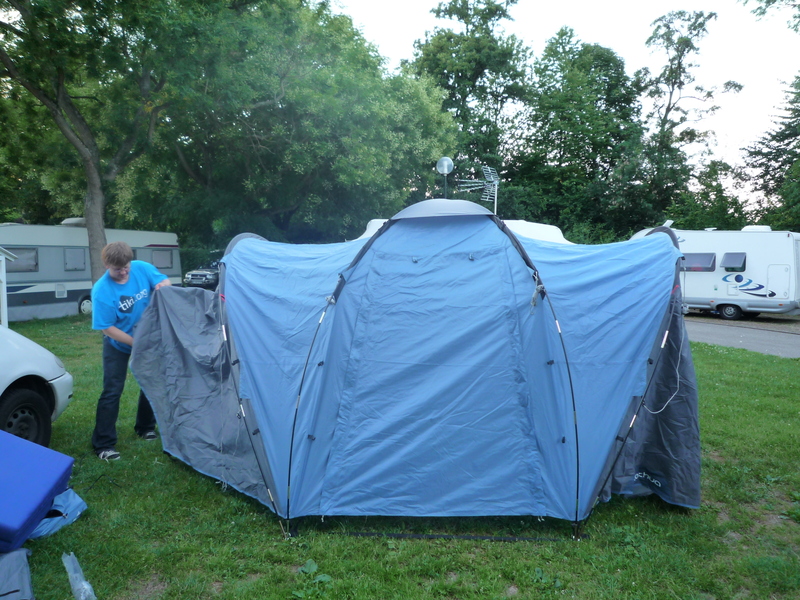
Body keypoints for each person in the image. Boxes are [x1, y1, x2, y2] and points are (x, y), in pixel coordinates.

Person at [91, 241, 171, 460]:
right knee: (112, 390)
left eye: (126, 267)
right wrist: (137, 343)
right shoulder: (102, 290)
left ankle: (145, 427)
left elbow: (164, 280)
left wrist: (163, 285)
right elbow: (107, 328)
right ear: (107, 265)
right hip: (117, 344)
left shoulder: (141, 268)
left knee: (150, 382)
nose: (124, 272)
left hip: (147, 337)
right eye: (118, 269)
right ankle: (103, 444)